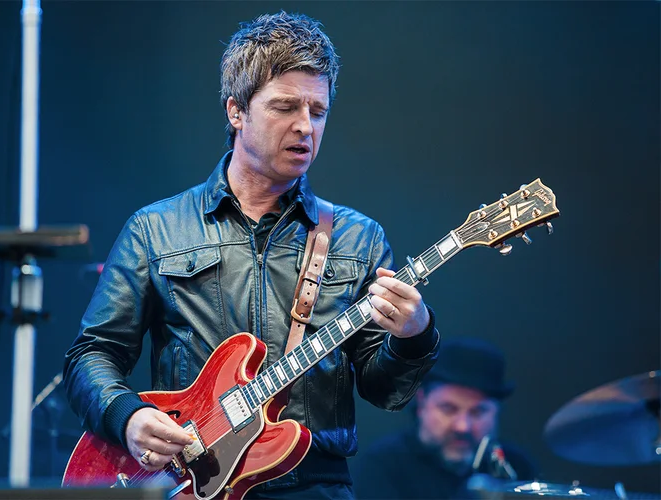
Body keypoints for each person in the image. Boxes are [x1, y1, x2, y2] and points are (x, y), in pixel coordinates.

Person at [63, 11, 440, 499]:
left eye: (318, 111)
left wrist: (414, 335)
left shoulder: (357, 237)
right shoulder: (156, 228)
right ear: (236, 111)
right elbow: (90, 355)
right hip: (191, 482)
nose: (305, 126)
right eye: (285, 107)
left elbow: (384, 389)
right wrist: (128, 416)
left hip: (314, 485)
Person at [352, 337, 537, 500]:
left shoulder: (516, 466)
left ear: (497, 411)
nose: (462, 427)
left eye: (478, 412)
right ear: (422, 401)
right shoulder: (383, 466)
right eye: (448, 409)